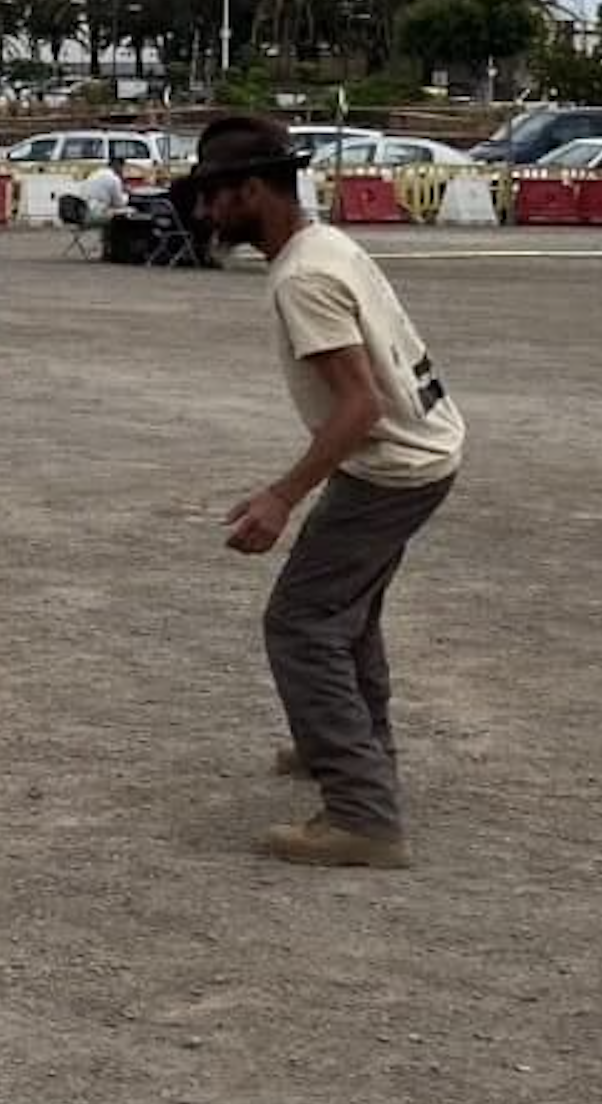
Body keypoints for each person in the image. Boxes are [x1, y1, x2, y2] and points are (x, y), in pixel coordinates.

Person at [175, 116, 463, 868]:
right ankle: (341, 743)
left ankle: (363, 812)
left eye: (216, 197)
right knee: (345, 615)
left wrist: (282, 495)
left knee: (301, 624)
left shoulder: (305, 275)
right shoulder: (323, 244)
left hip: (391, 468)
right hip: (417, 455)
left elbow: (360, 406)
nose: (205, 213)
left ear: (256, 191)